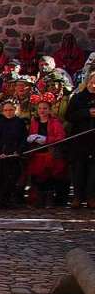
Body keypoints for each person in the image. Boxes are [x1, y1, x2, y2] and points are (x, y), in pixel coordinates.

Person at [0, 98, 29, 208]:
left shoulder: (19, 123)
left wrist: (18, 151)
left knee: (12, 179)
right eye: (6, 110)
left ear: (15, 110)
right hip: (0, 155)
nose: (8, 112)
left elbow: (23, 139)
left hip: (14, 155)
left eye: (11, 110)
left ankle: (8, 200)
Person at [26, 99, 67, 207]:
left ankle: (49, 201)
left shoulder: (55, 122)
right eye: (40, 108)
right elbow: (31, 134)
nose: (42, 111)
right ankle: (38, 200)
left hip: (50, 154)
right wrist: (31, 138)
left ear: (49, 110)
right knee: (37, 178)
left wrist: (46, 139)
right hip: (36, 154)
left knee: (49, 178)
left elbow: (61, 137)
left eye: (45, 108)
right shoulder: (34, 121)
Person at [65, 69, 95, 208]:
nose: (93, 85)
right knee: (78, 170)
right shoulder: (77, 98)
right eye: (92, 82)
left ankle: (91, 197)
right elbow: (69, 116)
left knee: (93, 172)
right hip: (80, 139)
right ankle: (77, 197)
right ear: (87, 82)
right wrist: (86, 113)